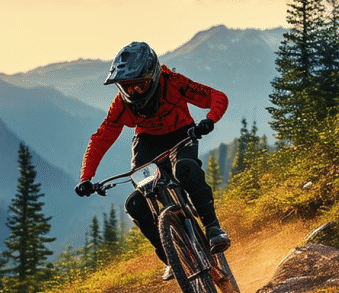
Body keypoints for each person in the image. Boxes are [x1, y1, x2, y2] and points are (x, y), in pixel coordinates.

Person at [75, 41, 230, 280]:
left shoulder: (174, 83)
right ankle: (170, 257)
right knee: (136, 204)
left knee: (186, 169)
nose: (135, 92)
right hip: (148, 142)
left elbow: (215, 97)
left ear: (154, 75)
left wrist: (210, 119)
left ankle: (212, 228)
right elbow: (101, 138)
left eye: (140, 84)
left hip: (182, 133)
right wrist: (86, 177)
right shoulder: (121, 105)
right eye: (128, 87)